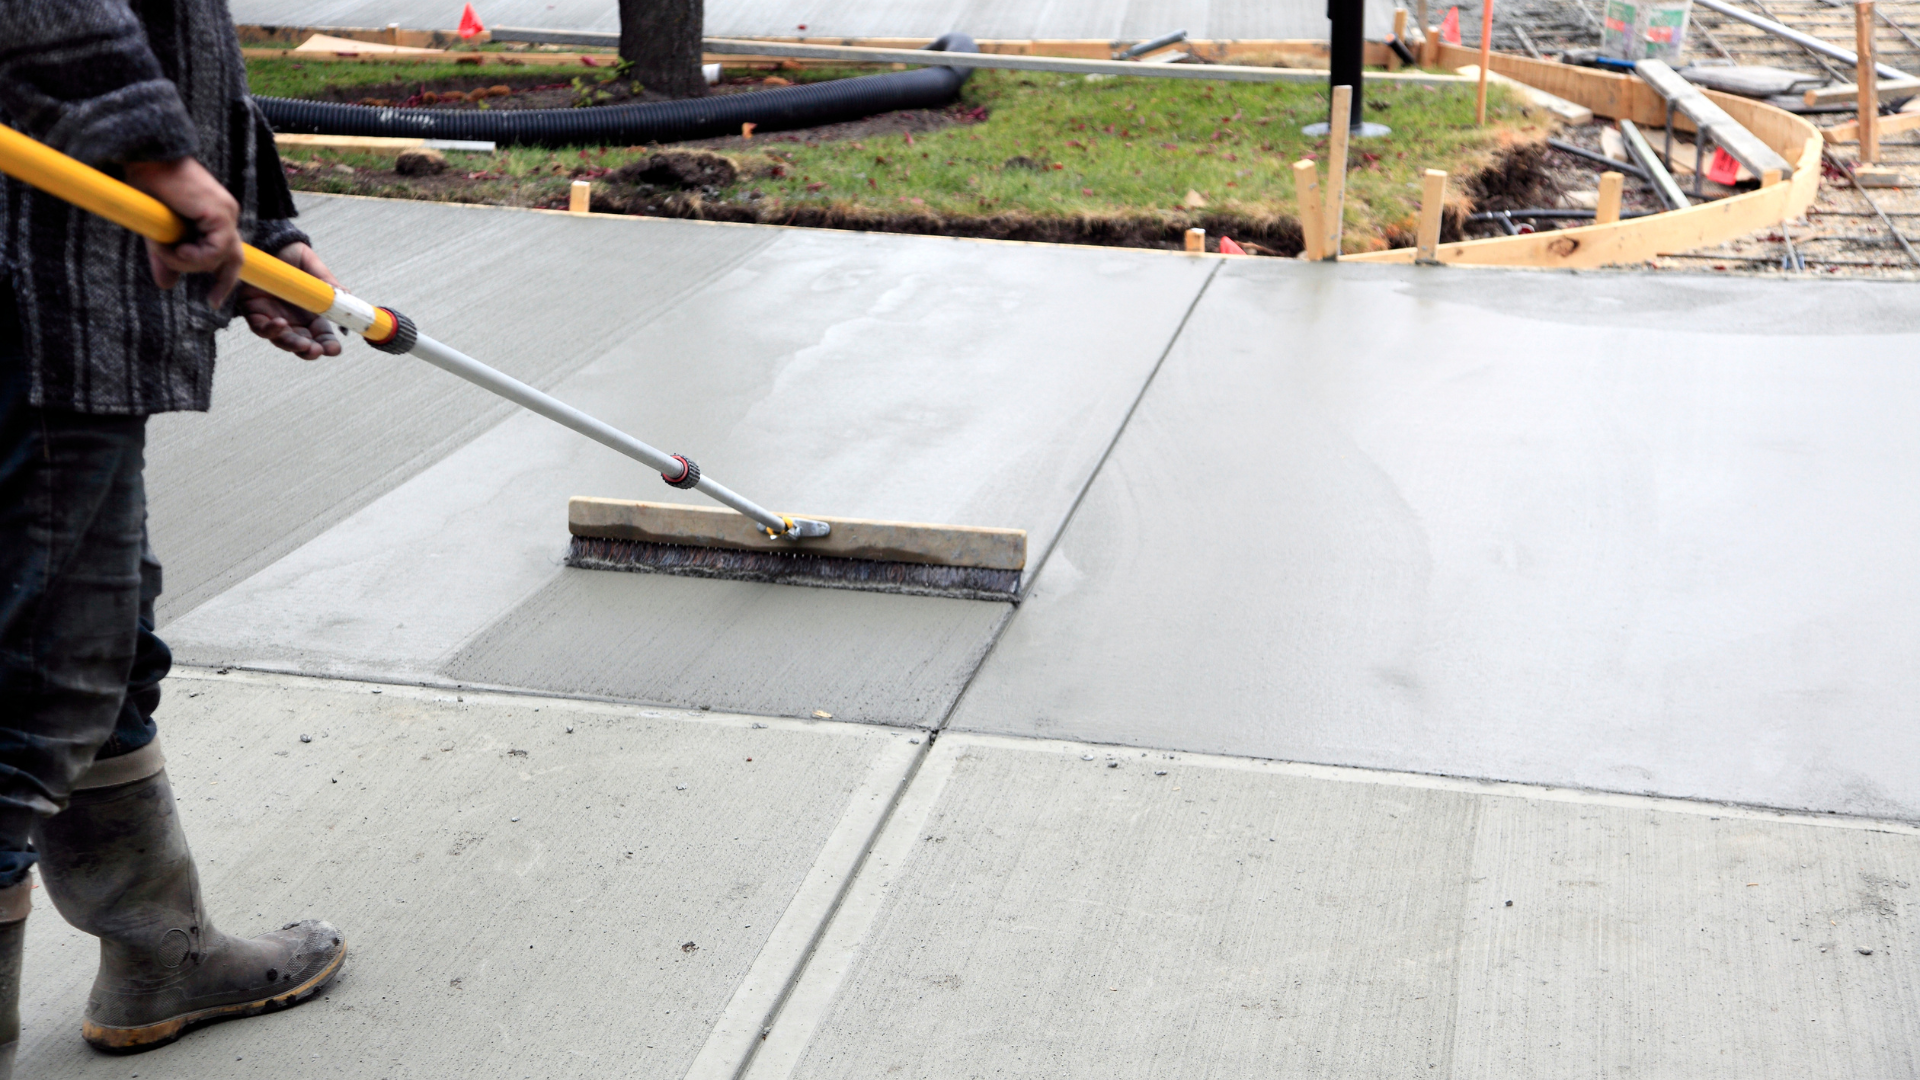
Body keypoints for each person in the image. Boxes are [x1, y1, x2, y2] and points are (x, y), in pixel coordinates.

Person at [0, 0, 350, 1069]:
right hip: (36, 294)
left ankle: (159, 951)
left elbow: (172, 19)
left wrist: (258, 222)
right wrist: (152, 154)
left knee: (93, 647)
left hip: (81, 284)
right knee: (28, 690)